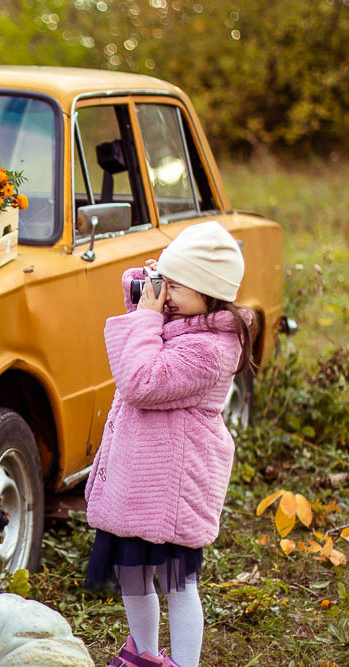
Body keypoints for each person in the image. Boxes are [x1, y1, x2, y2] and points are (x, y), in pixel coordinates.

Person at [83, 221, 253, 667]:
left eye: (176, 286)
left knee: (178, 583)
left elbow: (140, 380)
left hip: (172, 490)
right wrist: (153, 292)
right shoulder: (182, 320)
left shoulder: (209, 350)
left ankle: (184, 662)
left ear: (208, 292)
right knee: (133, 575)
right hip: (141, 481)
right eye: (166, 282)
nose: (165, 294)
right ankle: (142, 653)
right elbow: (143, 309)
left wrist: (146, 315)